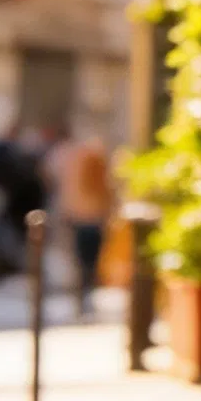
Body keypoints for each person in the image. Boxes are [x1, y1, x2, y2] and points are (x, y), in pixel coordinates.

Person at [45, 132, 112, 318]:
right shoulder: (90, 160)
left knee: (83, 259)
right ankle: (85, 295)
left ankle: (83, 296)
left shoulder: (73, 159)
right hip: (90, 216)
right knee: (87, 260)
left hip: (79, 216)